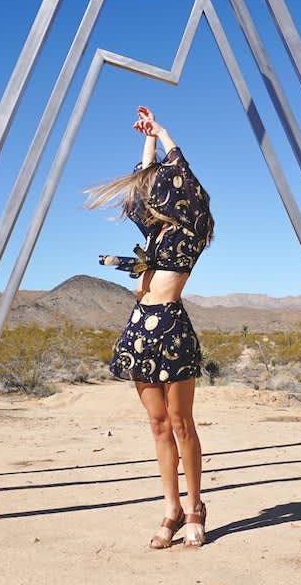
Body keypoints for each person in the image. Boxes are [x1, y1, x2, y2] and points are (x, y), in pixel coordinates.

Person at [83, 105, 215, 549]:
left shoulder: (191, 233)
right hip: (138, 330)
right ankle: (171, 510)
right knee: (158, 425)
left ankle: (195, 507)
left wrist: (165, 132)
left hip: (171, 330)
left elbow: (183, 176)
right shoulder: (153, 235)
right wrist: (148, 140)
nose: (152, 194)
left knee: (181, 424)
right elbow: (144, 180)